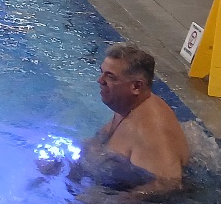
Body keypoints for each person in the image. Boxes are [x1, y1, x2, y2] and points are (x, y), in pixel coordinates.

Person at [60, 43, 190, 198]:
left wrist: (122, 199)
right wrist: (71, 168)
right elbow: (100, 139)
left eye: (110, 77)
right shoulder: (128, 105)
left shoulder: (150, 131)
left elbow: (170, 183)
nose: (100, 80)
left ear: (136, 86)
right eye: (102, 73)